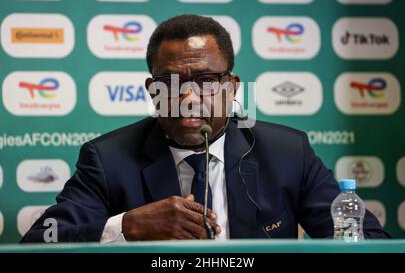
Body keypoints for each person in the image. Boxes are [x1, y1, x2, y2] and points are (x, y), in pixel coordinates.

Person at [21, 14, 390, 242]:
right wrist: (126, 227)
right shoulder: (108, 159)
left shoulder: (287, 152)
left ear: (231, 87)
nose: (189, 96)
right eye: (171, 81)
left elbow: (369, 239)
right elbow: (42, 241)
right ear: (153, 91)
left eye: (207, 80)